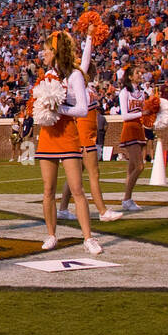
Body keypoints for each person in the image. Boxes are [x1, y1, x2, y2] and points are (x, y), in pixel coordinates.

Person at [35, 32, 103, 253]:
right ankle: (51, 235)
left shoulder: (74, 75)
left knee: (77, 189)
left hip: (68, 134)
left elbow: (82, 110)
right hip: (48, 136)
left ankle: (88, 238)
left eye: (46, 49)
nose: (42, 53)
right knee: (48, 190)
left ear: (55, 52)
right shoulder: (46, 76)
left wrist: (58, 109)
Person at [55, 36, 121, 225]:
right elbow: (85, 59)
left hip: (84, 133)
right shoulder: (79, 84)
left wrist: (90, 37)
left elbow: (85, 58)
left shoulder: (79, 84)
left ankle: (63, 209)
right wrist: (90, 37)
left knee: (76, 174)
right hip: (84, 134)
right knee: (94, 173)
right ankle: (102, 211)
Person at [115, 67, 146, 211]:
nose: (140, 74)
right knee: (140, 166)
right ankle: (127, 199)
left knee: (132, 168)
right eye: (137, 73)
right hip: (129, 129)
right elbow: (125, 115)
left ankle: (127, 199)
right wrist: (142, 113)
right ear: (130, 77)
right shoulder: (124, 92)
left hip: (139, 129)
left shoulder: (142, 93)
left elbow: (144, 114)